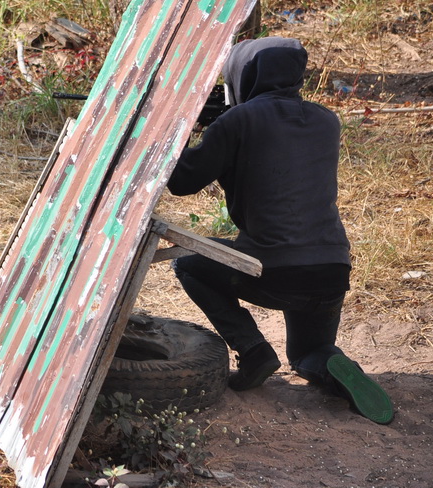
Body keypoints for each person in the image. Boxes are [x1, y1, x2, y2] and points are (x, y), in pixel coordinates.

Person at [166, 36, 393, 424]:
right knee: (307, 352)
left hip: (272, 270)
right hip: (331, 269)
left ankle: (253, 350)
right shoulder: (326, 120)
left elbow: (182, 181)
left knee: (189, 264)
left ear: (245, 74)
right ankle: (333, 363)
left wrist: (183, 129)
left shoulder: (237, 121)